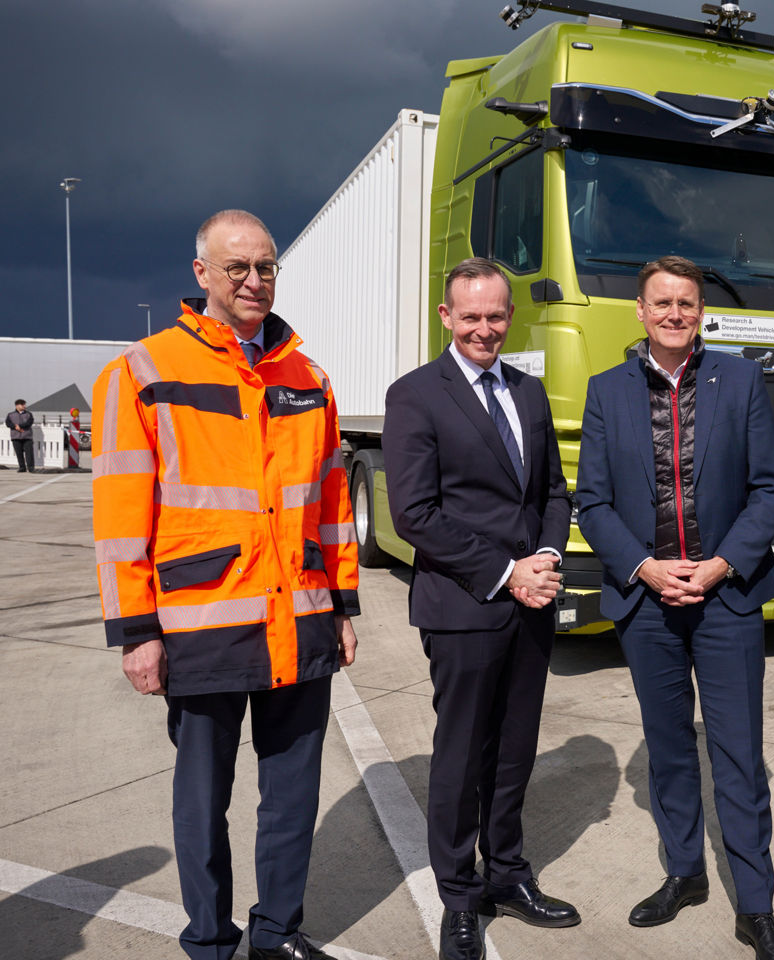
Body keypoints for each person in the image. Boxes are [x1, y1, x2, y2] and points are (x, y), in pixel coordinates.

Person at [91, 209, 360, 960]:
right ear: (201, 274)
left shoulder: (309, 377)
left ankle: (277, 934)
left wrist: (341, 605)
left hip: (301, 620)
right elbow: (119, 514)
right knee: (203, 801)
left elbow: (332, 506)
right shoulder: (143, 371)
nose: (253, 280)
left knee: (293, 797)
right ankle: (209, 940)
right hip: (201, 624)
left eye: (265, 266)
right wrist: (137, 631)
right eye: (236, 267)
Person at [576, 256, 774, 960]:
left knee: (737, 754)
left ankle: (757, 907)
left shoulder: (740, 380)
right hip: (648, 604)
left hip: (726, 599)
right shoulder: (606, 390)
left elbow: (769, 488)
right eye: (663, 302)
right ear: (639, 311)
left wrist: (721, 564)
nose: (675, 313)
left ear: (702, 312)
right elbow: (593, 501)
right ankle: (684, 873)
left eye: (688, 303)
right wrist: (645, 567)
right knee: (669, 750)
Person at [382, 257, 578, 960]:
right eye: (471, 317)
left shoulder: (527, 391)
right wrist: (506, 572)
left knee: (514, 752)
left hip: (531, 604)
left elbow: (552, 491)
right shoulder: (415, 395)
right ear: (446, 316)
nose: (485, 328)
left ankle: (508, 875)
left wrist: (548, 559)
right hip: (465, 605)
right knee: (461, 757)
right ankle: (459, 898)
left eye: (496, 316)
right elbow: (415, 514)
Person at [6, 398, 35, 472]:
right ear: (17, 405)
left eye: (24, 404)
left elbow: (29, 423)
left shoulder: (29, 414)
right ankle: (22, 467)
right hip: (15, 437)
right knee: (19, 453)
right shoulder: (10, 415)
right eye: (22, 404)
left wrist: (20, 426)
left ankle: (31, 468)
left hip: (27, 437)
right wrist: (16, 427)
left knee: (29, 454)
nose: (24, 406)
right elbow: (8, 423)